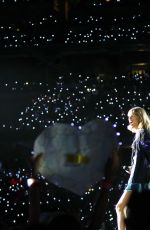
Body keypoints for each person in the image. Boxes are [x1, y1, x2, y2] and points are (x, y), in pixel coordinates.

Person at [116, 106, 150, 230]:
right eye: (128, 117)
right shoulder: (140, 134)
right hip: (137, 178)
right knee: (124, 209)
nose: (129, 119)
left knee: (120, 208)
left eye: (132, 116)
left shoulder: (142, 134)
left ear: (139, 116)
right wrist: (133, 168)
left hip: (138, 180)